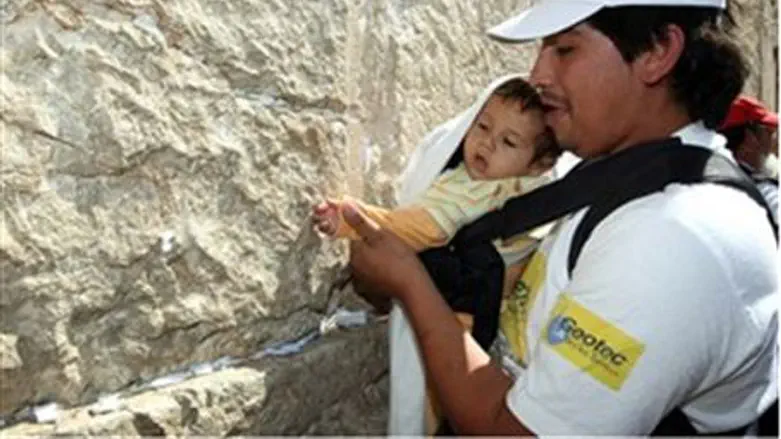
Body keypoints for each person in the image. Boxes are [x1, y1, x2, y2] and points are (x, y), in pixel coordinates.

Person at [343, 0, 778, 435]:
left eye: (565, 48)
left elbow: (515, 431)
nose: (537, 75)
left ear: (657, 51)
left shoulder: (677, 237)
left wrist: (408, 284)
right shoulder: (619, 170)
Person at [313, 75, 561, 434]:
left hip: (459, 320)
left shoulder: (478, 190)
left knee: (424, 408)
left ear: (538, 163)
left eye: (508, 141)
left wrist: (353, 221)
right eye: (482, 126)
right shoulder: (533, 187)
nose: (486, 145)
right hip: (500, 332)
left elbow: (422, 229)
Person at [719, 95, 779, 220]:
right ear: (750, 138)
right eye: (768, 133)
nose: (773, 142)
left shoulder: (700, 183)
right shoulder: (768, 195)